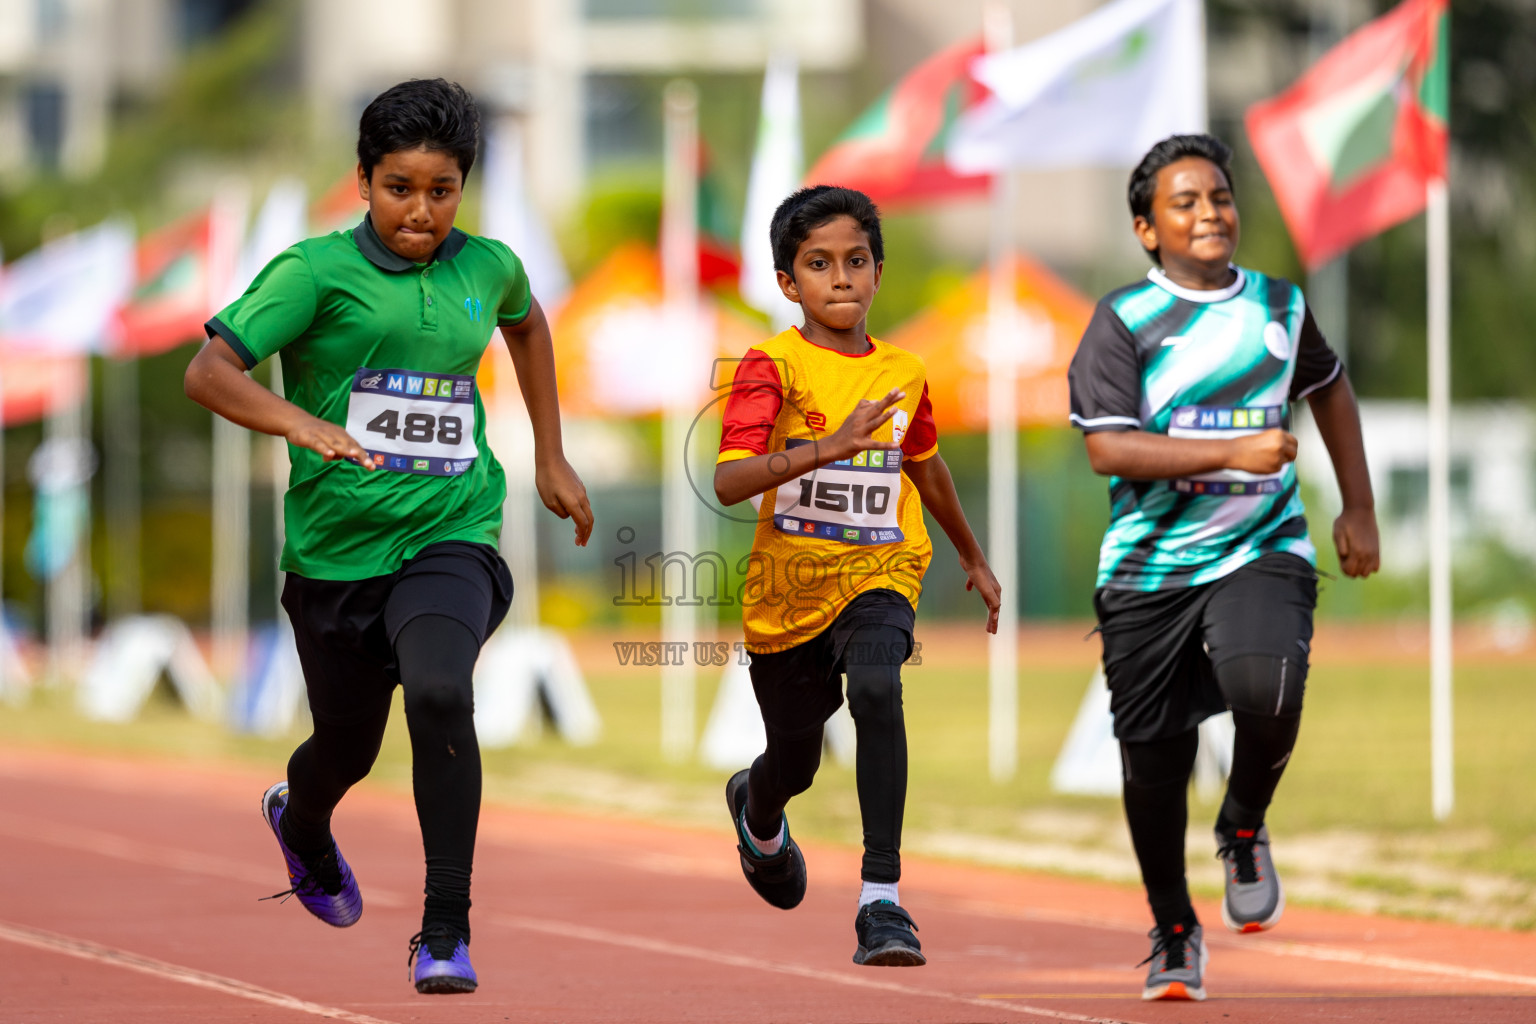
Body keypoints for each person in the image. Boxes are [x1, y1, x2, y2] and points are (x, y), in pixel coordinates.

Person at [184, 78, 593, 995]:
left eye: (441, 190)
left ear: (463, 187)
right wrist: (300, 423)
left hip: (453, 531)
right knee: (347, 750)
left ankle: (445, 928)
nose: (420, 211)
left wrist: (550, 456)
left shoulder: (489, 265)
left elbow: (528, 328)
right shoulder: (313, 273)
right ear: (363, 180)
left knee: (442, 693)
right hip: (334, 556)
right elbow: (208, 373)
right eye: (399, 188)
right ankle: (302, 818)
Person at [1068, 134, 1380, 1001]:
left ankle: (1243, 824)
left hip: (1262, 544)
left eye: (1219, 197)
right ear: (1146, 228)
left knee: (1266, 689)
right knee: (1153, 763)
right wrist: (1236, 448)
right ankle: (1173, 931)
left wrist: (1357, 506)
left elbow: (1331, 387)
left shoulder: (1280, 305)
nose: (1209, 213)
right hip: (1149, 568)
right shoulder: (1122, 320)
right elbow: (1109, 452)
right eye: (1185, 202)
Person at [714, 185, 1001, 967]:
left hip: (882, 570)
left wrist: (972, 556)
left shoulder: (905, 371)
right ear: (787, 282)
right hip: (788, 597)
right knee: (794, 761)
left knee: (878, 688)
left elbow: (926, 466)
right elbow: (732, 480)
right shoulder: (770, 365)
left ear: (878, 271)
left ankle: (883, 902)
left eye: (856, 261)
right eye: (818, 264)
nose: (840, 278)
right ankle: (758, 809)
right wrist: (828, 446)